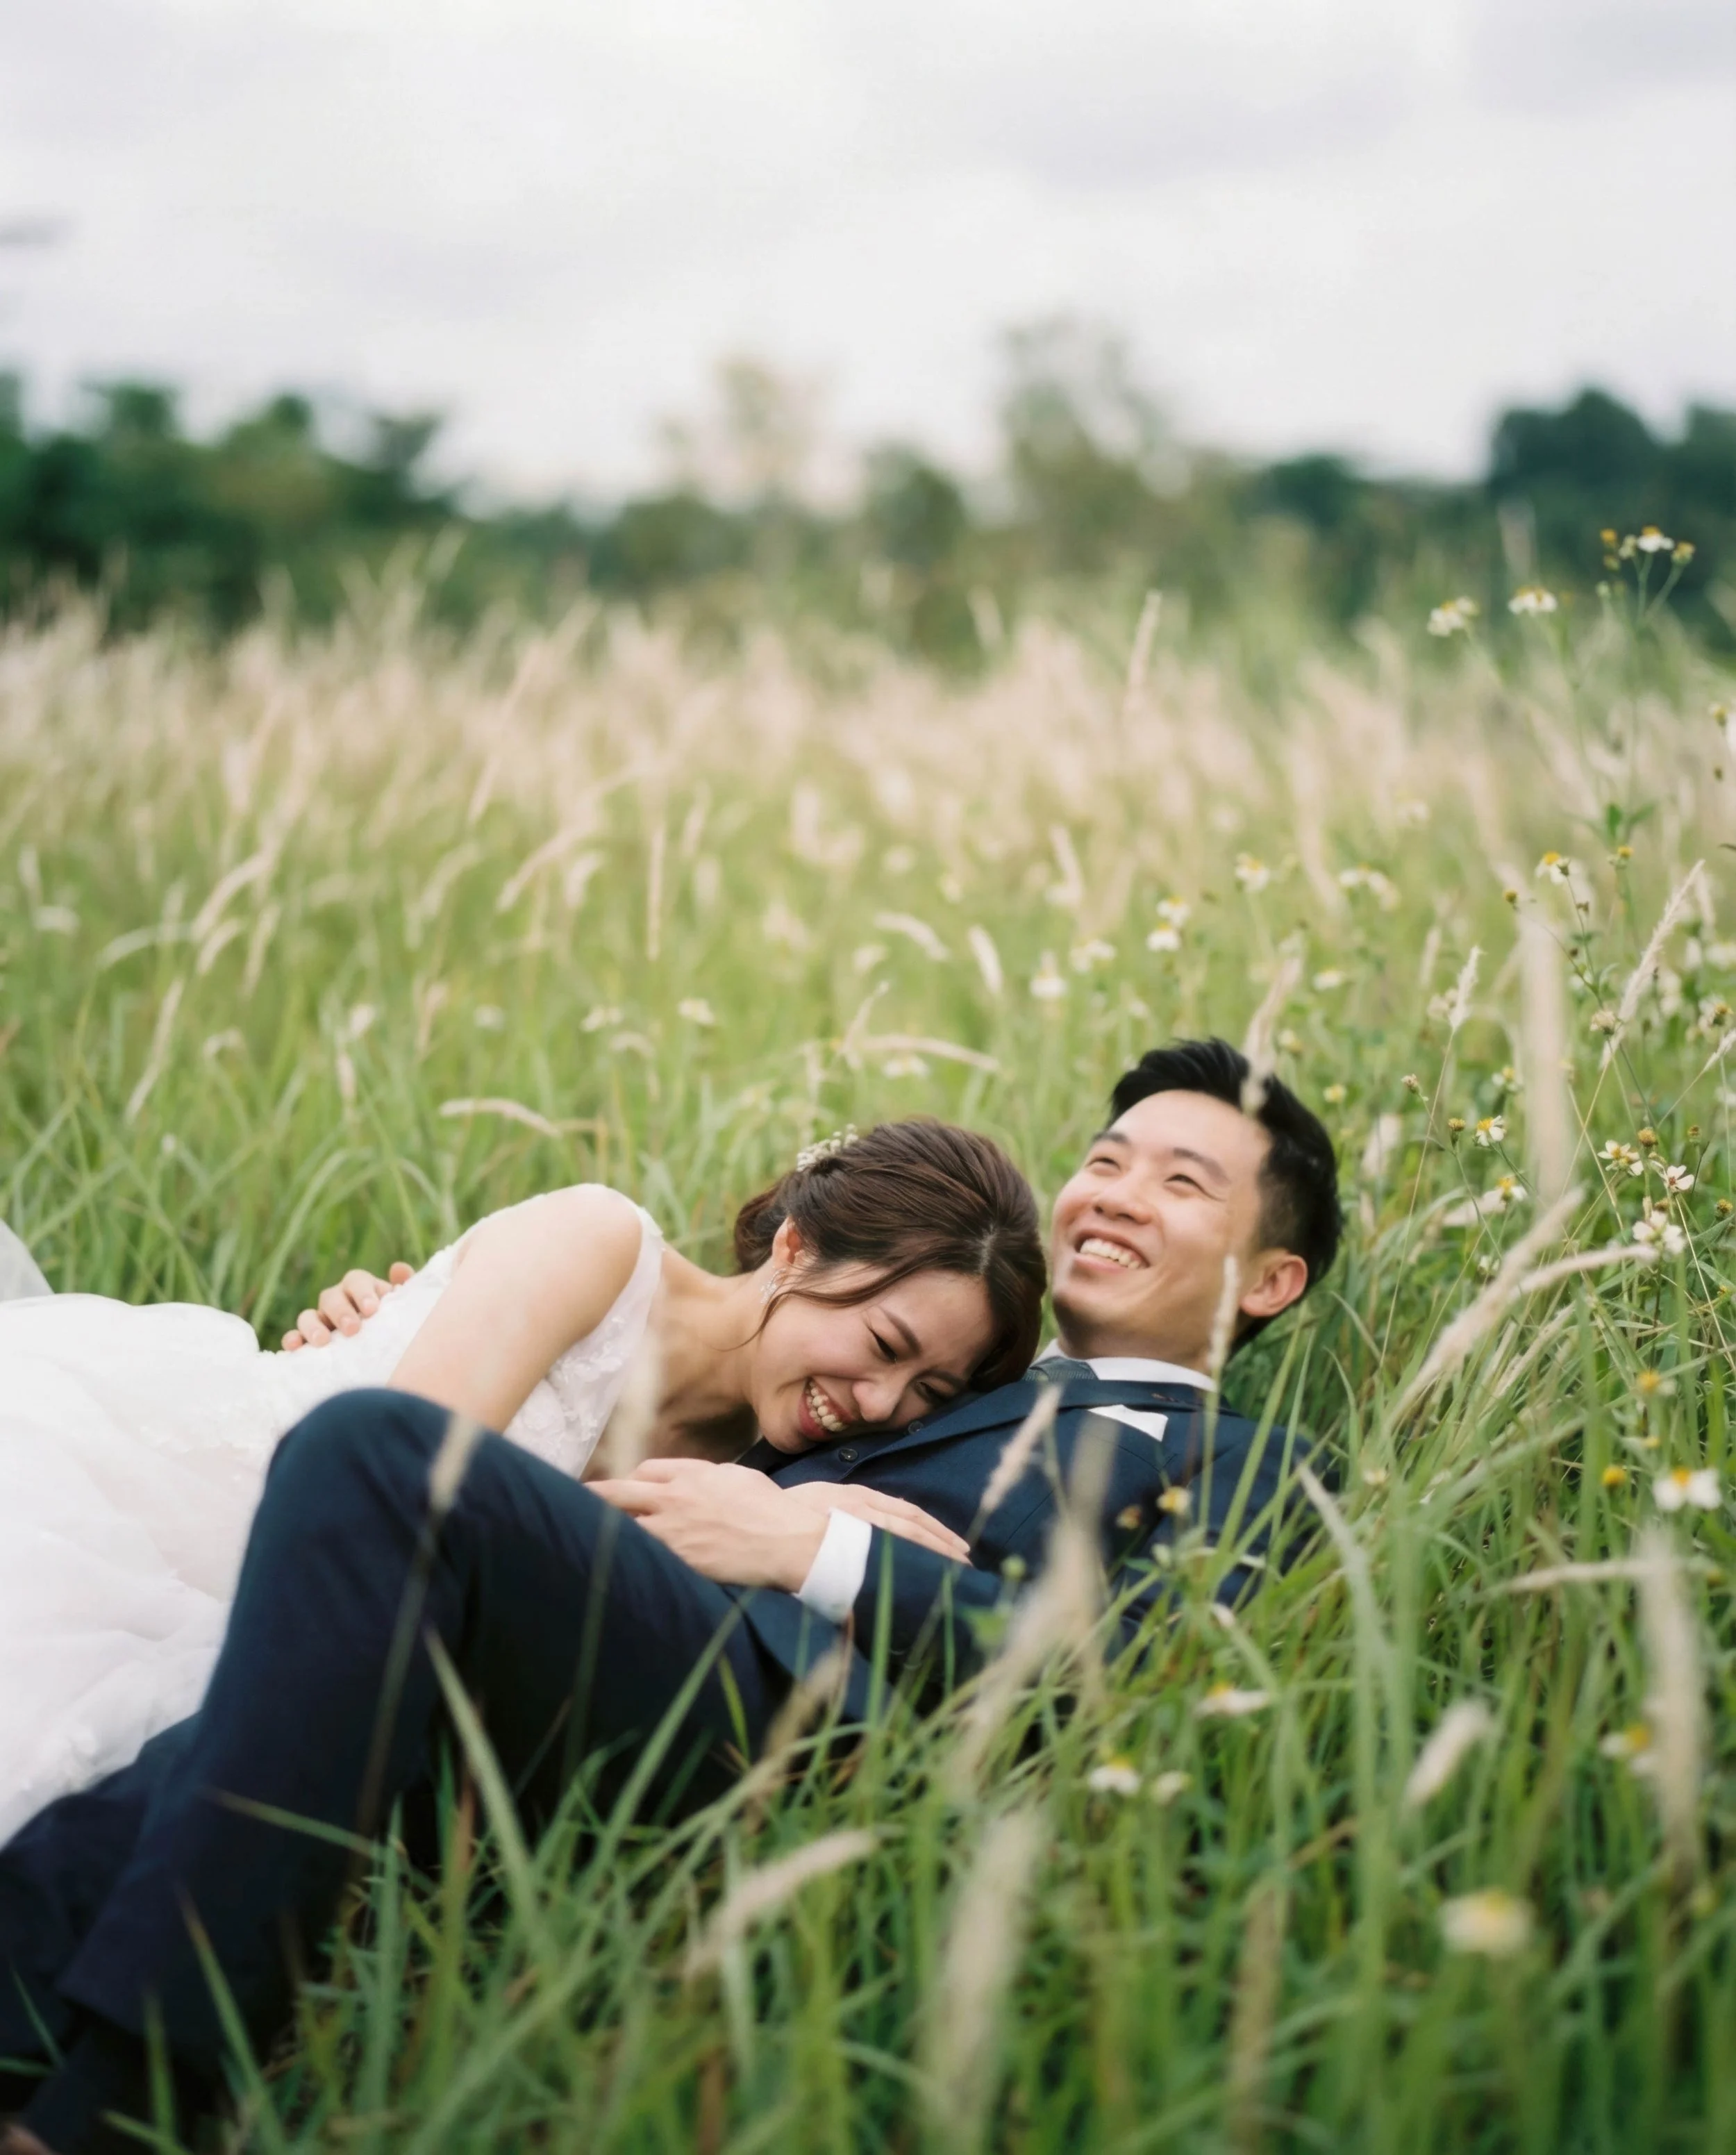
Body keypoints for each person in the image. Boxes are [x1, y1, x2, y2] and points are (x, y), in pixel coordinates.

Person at [0, 1040, 1341, 2155]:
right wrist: (407, 1314)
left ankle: (128, 2099)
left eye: (1182, 1182)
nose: (1116, 1192)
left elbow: (1119, 1675)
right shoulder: (963, 1347)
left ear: (1272, 1278)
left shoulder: (1259, 1468)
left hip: (791, 1707)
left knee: (380, 1465)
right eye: (1105, 1159)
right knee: (297, 1659)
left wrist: (825, 1551)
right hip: (637, 1606)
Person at [0, 1122, 1046, 1847]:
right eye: (884, 1341)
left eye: (927, 1390)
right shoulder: (597, 1244)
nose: (878, 1401)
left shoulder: (762, 1471)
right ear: (795, 1247)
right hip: (189, 1496)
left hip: (327, 1622)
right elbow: (402, 1490)